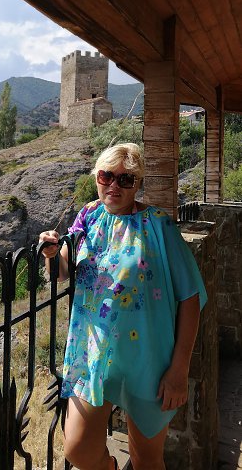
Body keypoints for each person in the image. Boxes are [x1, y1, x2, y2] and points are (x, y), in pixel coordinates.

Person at [39, 143, 207, 470]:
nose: (114, 185)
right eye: (106, 176)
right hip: (93, 355)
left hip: (148, 360)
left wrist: (179, 370)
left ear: (137, 183)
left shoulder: (158, 225)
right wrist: (51, 253)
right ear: (96, 178)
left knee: (146, 459)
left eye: (125, 179)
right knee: (78, 449)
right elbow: (62, 271)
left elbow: (190, 297)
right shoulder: (88, 215)